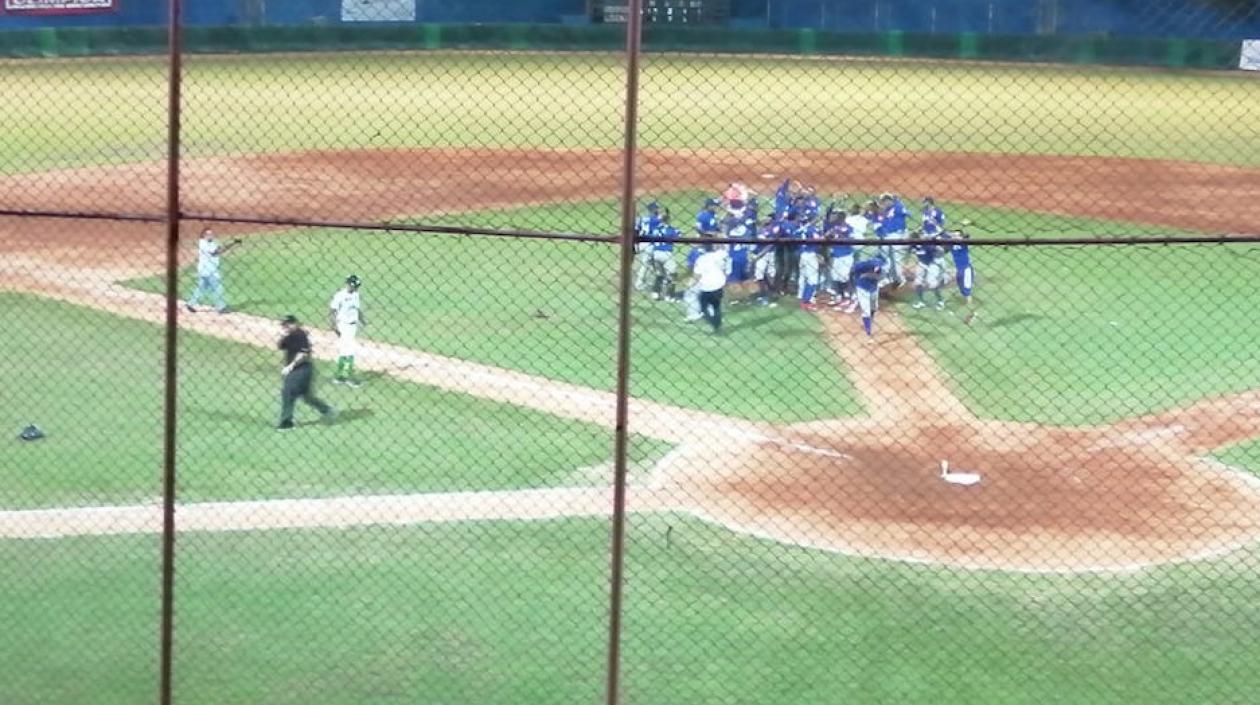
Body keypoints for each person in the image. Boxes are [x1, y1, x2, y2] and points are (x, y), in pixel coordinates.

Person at [276, 314, 335, 431]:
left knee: (288, 392)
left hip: (302, 369)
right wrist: (283, 335)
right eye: (283, 325)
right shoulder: (289, 335)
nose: (285, 327)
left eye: (287, 324)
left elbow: (303, 354)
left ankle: (286, 422)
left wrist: (290, 366)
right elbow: (280, 346)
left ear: (294, 323)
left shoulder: (300, 334)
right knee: (307, 396)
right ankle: (327, 410)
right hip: (298, 370)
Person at [186, 227, 241, 313]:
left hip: (205, 270)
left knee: (201, 288)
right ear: (203, 235)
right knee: (218, 288)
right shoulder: (203, 243)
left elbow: (221, 249)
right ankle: (221, 307)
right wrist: (232, 243)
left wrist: (232, 243)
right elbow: (216, 251)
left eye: (211, 234)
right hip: (209, 271)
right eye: (208, 234)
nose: (210, 235)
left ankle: (190, 304)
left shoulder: (211, 243)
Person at [328, 275, 366, 387]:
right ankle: (348, 377)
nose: (355, 288)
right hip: (343, 325)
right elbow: (332, 311)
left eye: (357, 286)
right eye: (354, 286)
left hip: (353, 326)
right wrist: (333, 326)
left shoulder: (356, 295)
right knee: (349, 351)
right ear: (348, 284)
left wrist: (363, 321)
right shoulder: (340, 295)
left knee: (344, 351)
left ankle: (340, 377)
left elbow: (357, 309)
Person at [691, 243, 730, 334]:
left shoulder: (701, 259)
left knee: (703, 308)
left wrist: (691, 284)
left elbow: (697, 275)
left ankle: (714, 323)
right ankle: (718, 326)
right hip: (719, 285)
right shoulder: (719, 256)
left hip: (707, 287)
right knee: (717, 307)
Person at [852, 256, 886, 337]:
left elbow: (880, 277)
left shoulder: (881, 270)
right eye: (876, 264)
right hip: (862, 289)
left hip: (874, 288)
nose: (878, 266)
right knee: (866, 310)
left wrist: (869, 275)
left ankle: (870, 320)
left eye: (879, 265)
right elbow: (853, 271)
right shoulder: (861, 266)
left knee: (873, 308)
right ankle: (868, 330)